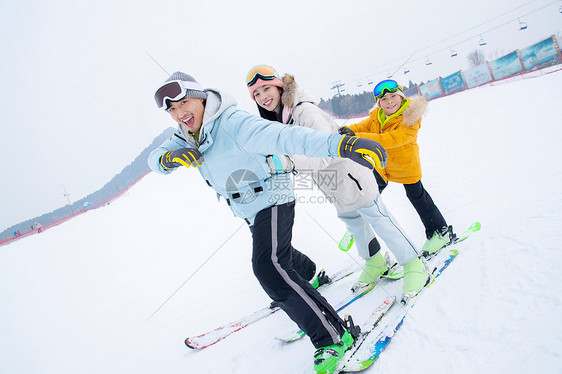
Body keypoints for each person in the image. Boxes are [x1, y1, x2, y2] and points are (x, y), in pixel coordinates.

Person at [147, 71, 388, 374]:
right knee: (278, 256)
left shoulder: (232, 122)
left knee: (268, 267)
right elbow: (154, 157)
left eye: (183, 103)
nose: (179, 113)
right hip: (248, 207)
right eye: (171, 110)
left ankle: (334, 337)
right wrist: (168, 159)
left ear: (200, 97)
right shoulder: (185, 135)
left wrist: (338, 145)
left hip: (272, 196)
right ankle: (311, 274)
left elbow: (286, 136)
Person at [245, 64, 429, 299]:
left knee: (379, 218)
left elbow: (326, 151)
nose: (262, 97)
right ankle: (375, 262)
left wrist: (288, 162)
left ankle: (414, 264)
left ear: (279, 87)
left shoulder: (304, 112)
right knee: (353, 222)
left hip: (351, 176)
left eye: (266, 88)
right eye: (256, 94)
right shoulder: (285, 117)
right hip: (333, 183)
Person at [339, 79, 455, 255]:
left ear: (401, 97)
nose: (389, 102)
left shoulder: (410, 117)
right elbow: (358, 126)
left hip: (405, 166)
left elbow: (393, 139)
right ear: (379, 103)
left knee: (417, 196)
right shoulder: (377, 116)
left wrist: (356, 137)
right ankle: (357, 224)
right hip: (382, 167)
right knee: (367, 195)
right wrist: (341, 131)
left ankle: (440, 232)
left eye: (393, 96)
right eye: (383, 99)